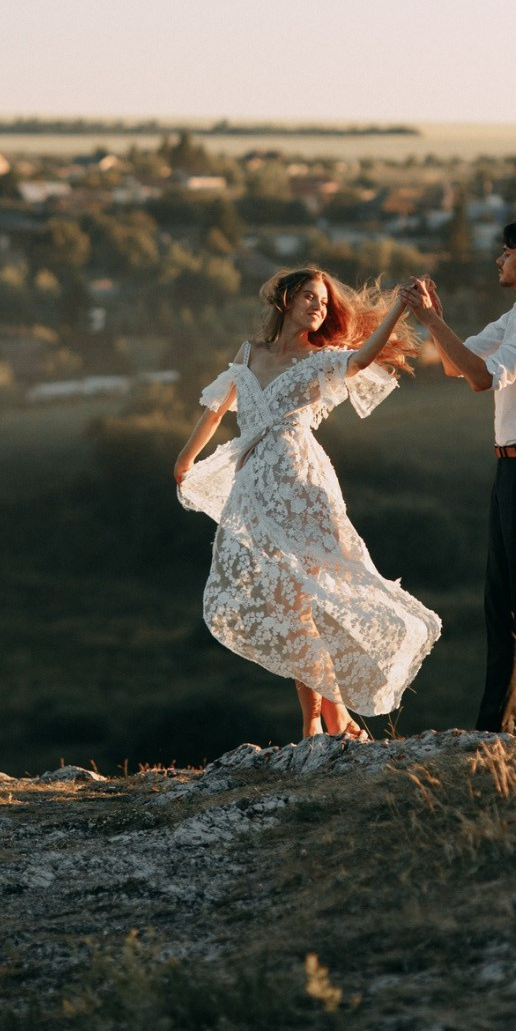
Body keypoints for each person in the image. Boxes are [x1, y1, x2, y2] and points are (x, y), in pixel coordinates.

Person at [174, 266, 441, 742]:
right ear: (287, 299)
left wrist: (401, 306)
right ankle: (325, 718)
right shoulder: (249, 353)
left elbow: (360, 360)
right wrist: (185, 460)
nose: (320, 307)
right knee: (289, 604)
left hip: (303, 484)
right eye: (311, 298)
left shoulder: (322, 359)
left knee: (318, 598)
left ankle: (320, 721)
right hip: (255, 489)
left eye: (324, 302)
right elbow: (215, 410)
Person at [402, 218, 516, 740]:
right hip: (510, 464)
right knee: (498, 601)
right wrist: (437, 323)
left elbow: (481, 379)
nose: (498, 260)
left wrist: (434, 320)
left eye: (506, 252)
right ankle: (493, 730)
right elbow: (458, 366)